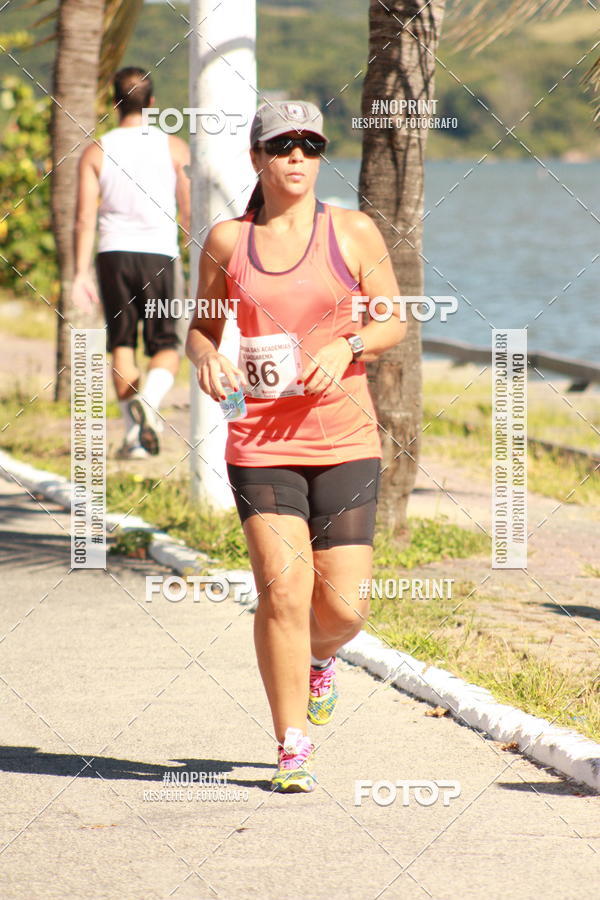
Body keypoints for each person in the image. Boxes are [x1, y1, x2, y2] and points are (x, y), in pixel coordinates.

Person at [186, 100, 406, 792]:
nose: (298, 158)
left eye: (310, 146)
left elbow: (392, 320)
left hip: (345, 438)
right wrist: (204, 358)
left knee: (342, 609)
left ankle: (318, 659)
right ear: (257, 157)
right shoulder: (228, 242)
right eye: (283, 146)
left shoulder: (354, 231)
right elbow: (202, 327)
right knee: (283, 591)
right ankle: (291, 742)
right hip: (260, 441)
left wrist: (347, 346)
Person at [73, 67, 191, 459]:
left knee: (122, 343)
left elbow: (84, 218)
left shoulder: (97, 150)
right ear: (153, 103)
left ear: (114, 102)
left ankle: (134, 438)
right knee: (167, 343)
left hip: (112, 256)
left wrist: (78, 274)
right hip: (160, 254)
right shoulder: (174, 148)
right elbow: (189, 212)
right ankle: (151, 403)